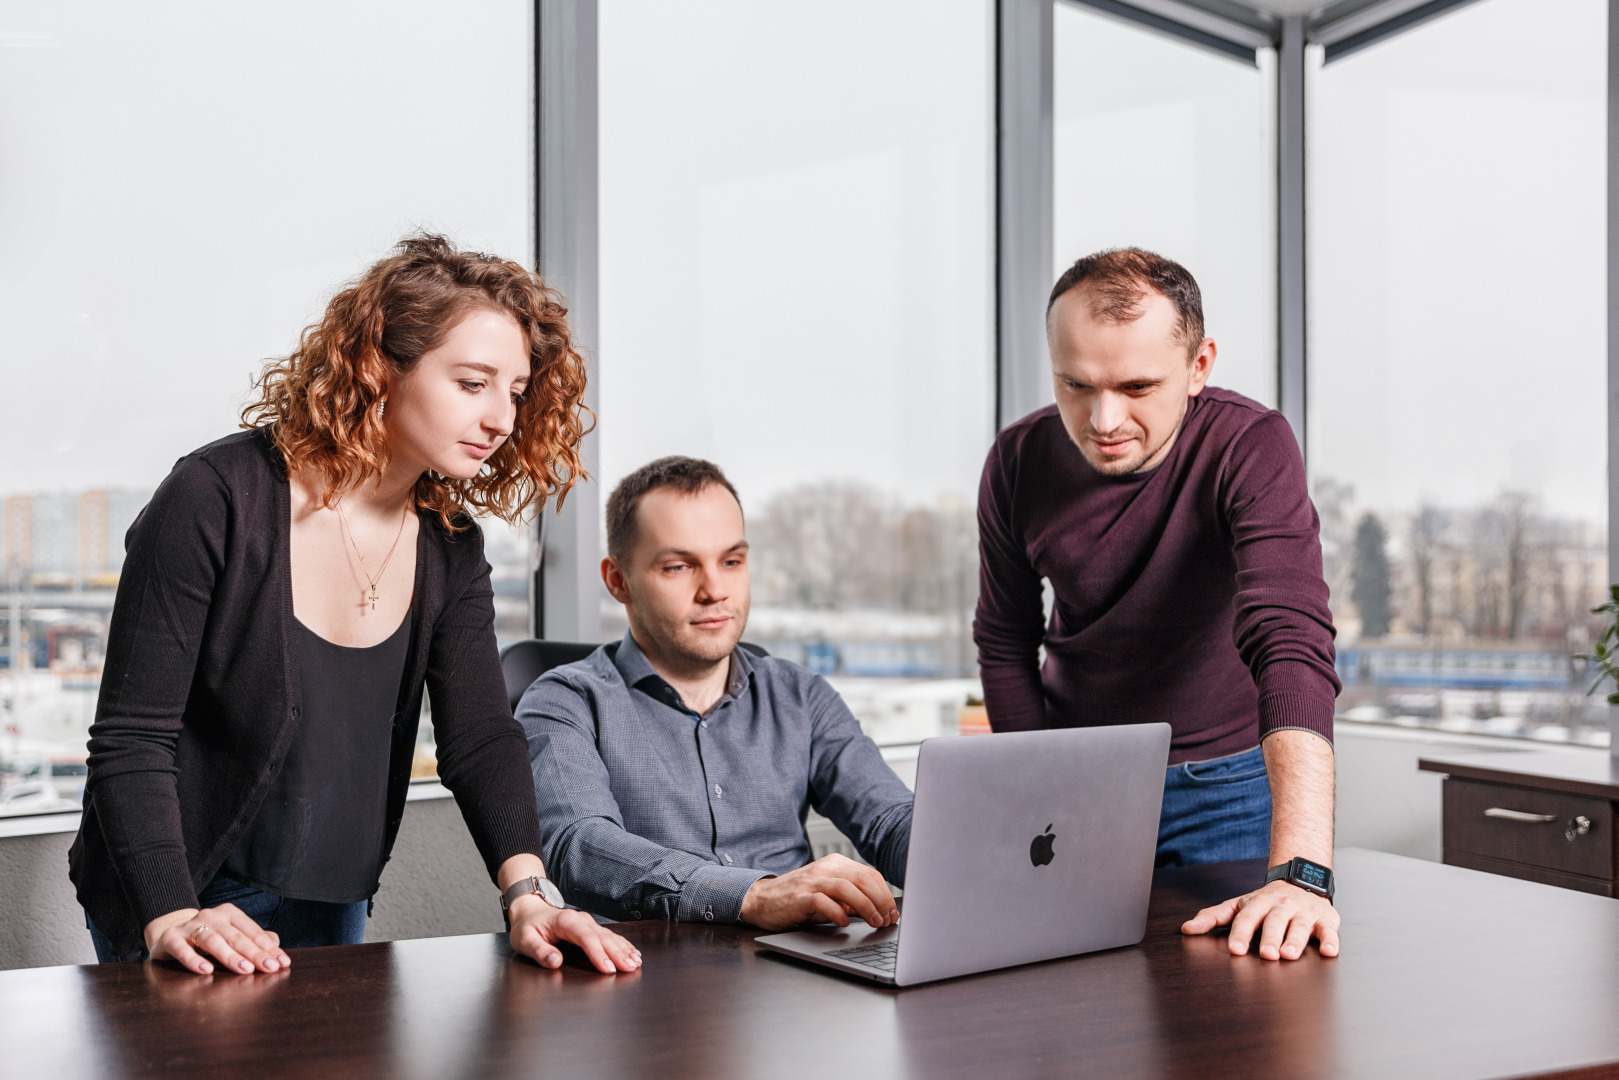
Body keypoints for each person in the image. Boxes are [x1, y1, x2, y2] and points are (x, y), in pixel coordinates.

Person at [69, 235, 639, 977]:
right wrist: (169, 912)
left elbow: (478, 738)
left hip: (332, 895)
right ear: (376, 366)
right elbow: (130, 738)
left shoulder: (450, 545)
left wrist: (529, 892)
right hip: (177, 894)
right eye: (473, 383)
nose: (502, 418)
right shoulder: (214, 497)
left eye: (518, 391)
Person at [975, 248, 1341, 962]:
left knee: (1243, 1020)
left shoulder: (1248, 444)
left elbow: (1289, 638)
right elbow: (1003, 639)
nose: (1103, 418)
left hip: (1230, 786)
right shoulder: (1018, 459)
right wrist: (1040, 792)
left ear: (1198, 365)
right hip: (1080, 783)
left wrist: (1302, 873)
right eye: (1075, 384)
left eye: (1136, 385)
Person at [517, 456, 911, 931]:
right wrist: (751, 896)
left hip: (798, 973)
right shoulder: (564, 701)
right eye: (679, 566)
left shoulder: (800, 695)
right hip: (644, 981)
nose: (716, 590)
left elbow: (889, 820)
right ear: (617, 580)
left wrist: (971, 857)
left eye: (731, 561)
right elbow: (576, 845)